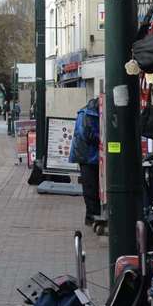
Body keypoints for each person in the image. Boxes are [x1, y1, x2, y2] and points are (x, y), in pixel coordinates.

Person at [69, 97, 103, 229]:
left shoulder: (90, 113)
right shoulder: (86, 114)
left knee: (94, 186)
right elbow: (86, 135)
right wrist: (102, 138)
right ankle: (91, 216)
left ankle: (93, 215)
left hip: (93, 156)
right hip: (86, 156)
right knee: (90, 187)